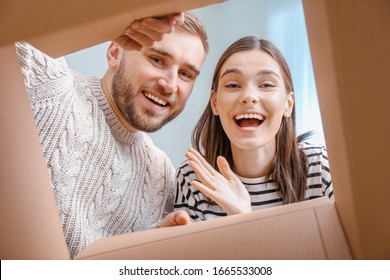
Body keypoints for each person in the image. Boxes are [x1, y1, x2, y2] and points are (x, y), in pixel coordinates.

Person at [16, 11, 208, 259]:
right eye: (157, 59)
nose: (170, 84)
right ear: (115, 53)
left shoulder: (164, 178)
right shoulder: (47, 81)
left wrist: (153, 245)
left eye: (185, 74)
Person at [174, 36, 334, 221]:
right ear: (215, 102)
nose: (249, 96)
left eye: (266, 85)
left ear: (288, 104)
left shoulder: (320, 168)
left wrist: (243, 218)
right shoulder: (194, 179)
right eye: (233, 85)